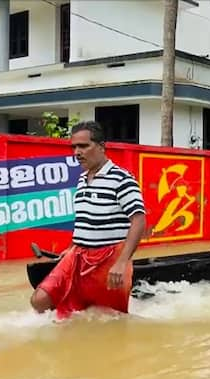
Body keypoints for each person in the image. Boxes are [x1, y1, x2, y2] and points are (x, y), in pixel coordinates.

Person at [30, 121, 147, 319]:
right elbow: (85, 220)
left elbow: (139, 219)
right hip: (78, 255)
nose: (77, 152)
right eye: (74, 147)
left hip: (110, 258)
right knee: (39, 300)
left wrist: (121, 263)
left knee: (108, 318)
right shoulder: (82, 179)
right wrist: (72, 246)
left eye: (83, 146)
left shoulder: (122, 179)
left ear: (101, 147)